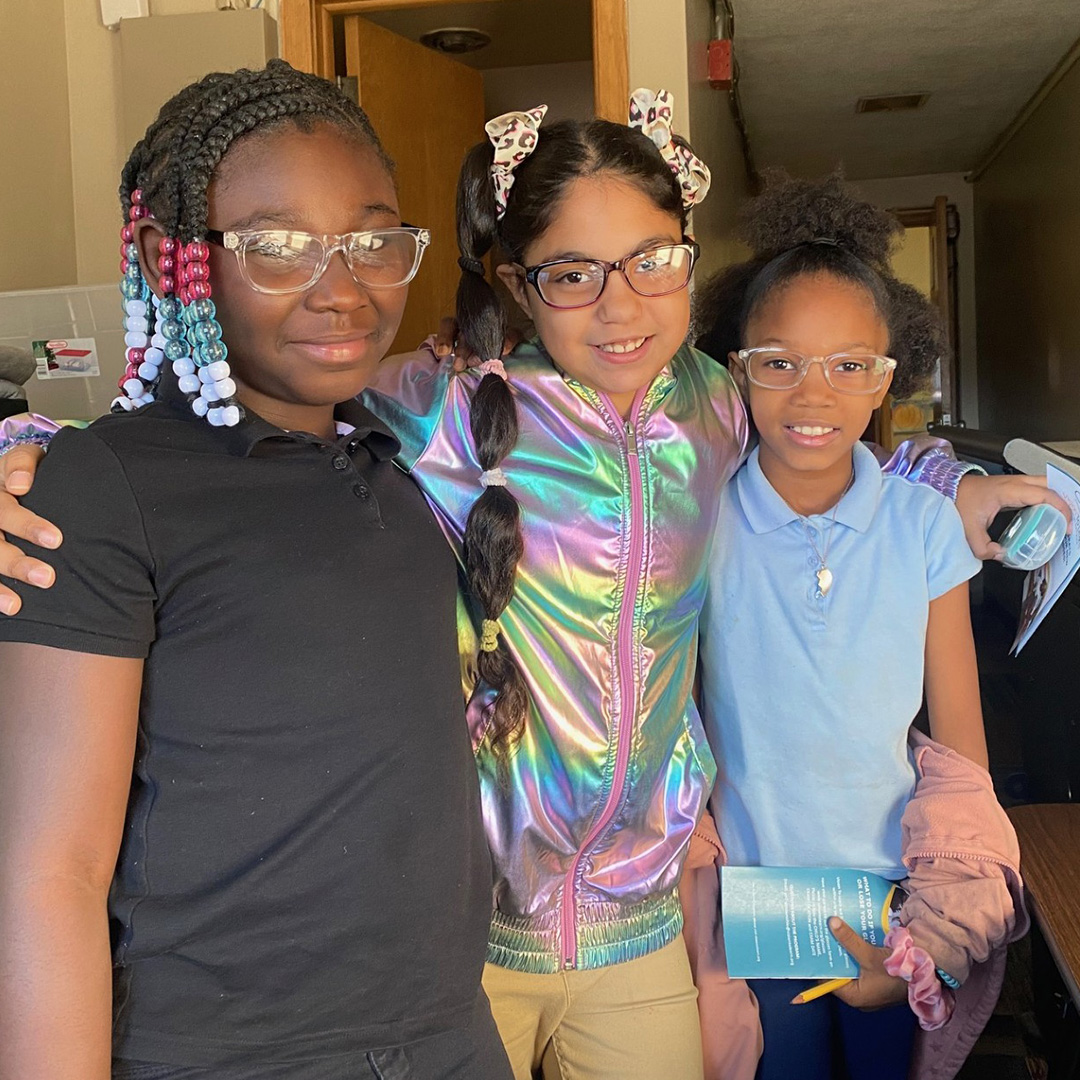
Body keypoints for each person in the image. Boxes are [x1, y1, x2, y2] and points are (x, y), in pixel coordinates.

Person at [0, 97, 1063, 1080]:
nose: (621, 307)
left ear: (691, 260)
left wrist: (949, 482)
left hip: (643, 922)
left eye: (653, 261)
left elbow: (824, 436)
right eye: (572, 273)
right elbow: (254, 400)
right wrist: (41, 446)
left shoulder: (718, 404)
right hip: (471, 930)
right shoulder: (448, 405)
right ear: (519, 282)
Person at [0, 61, 510, 1080]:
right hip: (231, 1054)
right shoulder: (103, 491)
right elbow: (49, 873)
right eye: (278, 247)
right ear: (170, 256)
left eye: (372, 240)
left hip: (446, 1033)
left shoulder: (394, 464)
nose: (344, 288)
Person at [694, 173, 1013, 1080]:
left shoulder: (923, 527)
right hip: (755, 911)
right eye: (779, 362)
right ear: (738, 368)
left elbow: (961, 753)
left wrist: (926, 934)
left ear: (886, 379)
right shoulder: (700, 525)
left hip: (896, 906)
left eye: (848, 366)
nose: (812, 394)